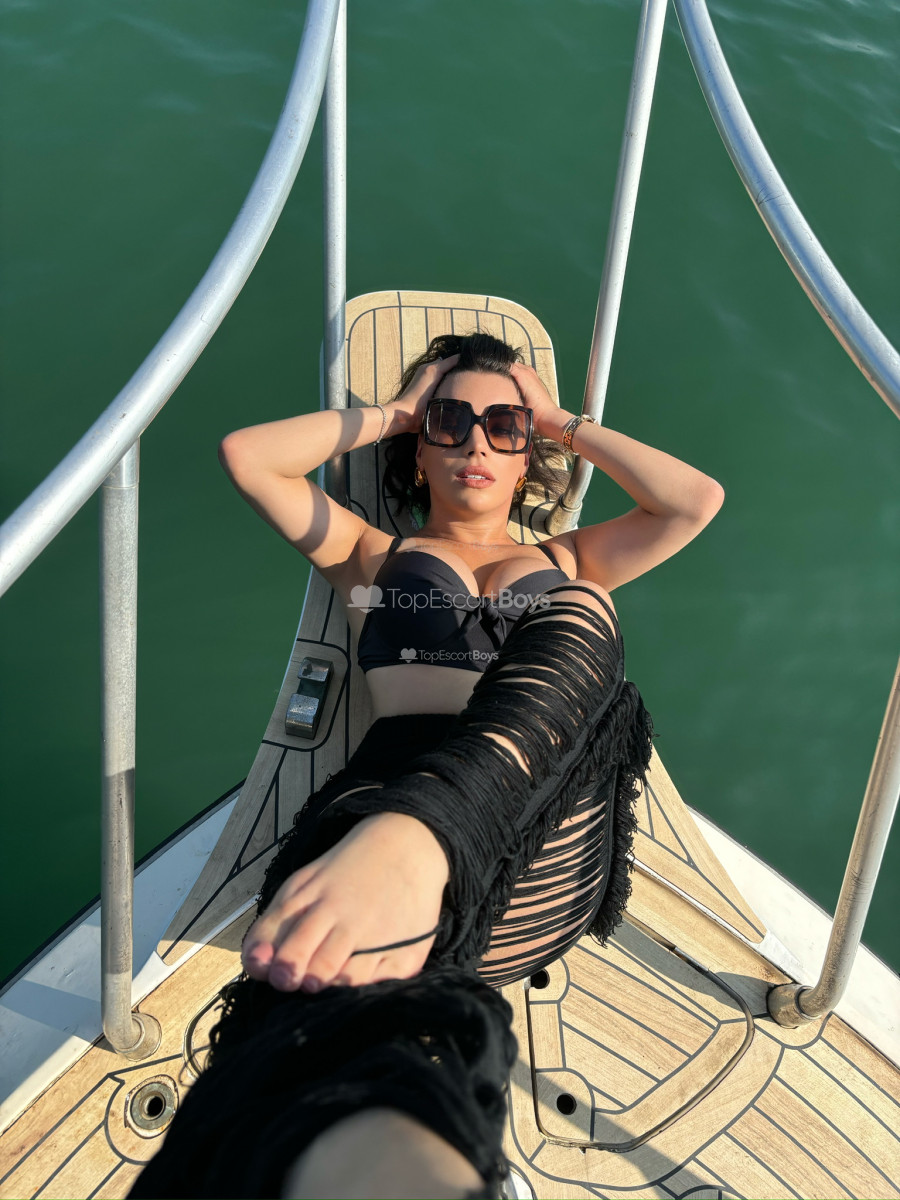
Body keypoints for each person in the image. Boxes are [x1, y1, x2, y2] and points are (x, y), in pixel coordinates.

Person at [129, 332, 723, 1199]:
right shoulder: (371, 559)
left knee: (583, 603)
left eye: (503, 426)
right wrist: (395, 412)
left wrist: (561, 420)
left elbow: (693, 501)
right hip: (398, 814)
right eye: (451, 422)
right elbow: (249, 457)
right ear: (419, 447)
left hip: (538, 829)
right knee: (344, 1039)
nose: (475, 442)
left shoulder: (570, 557)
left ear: (527, 455)